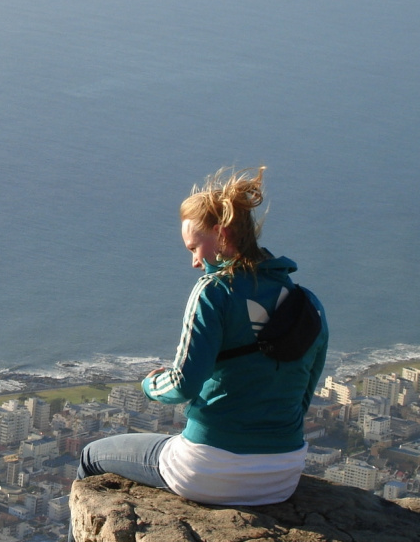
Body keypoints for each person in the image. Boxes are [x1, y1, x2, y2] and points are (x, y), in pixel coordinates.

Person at [77, 166, 328, 506]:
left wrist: (150, 386)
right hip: (283, 475)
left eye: (195, 247)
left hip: (210, 468)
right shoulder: (308, 303)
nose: (195, 262)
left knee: (91, 456)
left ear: (222, 234)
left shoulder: (214, 291)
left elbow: (183, 384)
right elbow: (304, 395)